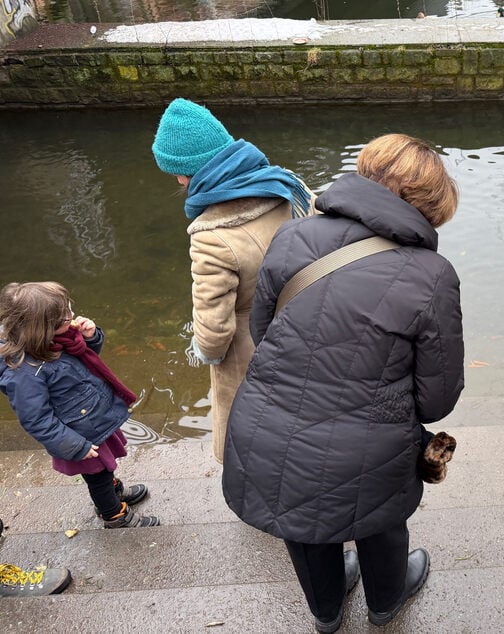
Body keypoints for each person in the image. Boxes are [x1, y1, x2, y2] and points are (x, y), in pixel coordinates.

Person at [221, 133, 464, 633]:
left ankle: (327, 612)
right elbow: (436, 399)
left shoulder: (291, 236)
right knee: (380, 520)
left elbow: (263, 333)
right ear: (429, 207)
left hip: (268, 426)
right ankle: (385, 602)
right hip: (369, 443)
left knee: (305, 526)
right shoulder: (432, 273)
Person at [151, 97, 312, 464]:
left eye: (178, 172)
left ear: (192, 171)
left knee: (251, 433)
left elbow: (214, 328)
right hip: (304, 326)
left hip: (252, 349)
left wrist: (203, 353)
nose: (177, 181)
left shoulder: (211, 235)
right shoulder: (286, 185)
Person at [0, 282, 159, 529]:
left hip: (91, 417)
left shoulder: (54, 340)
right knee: (97, 475)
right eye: (63, 317)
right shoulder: (24, 373)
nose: (71, 316)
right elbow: (36, 419)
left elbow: (82, 362)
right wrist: (75, 446)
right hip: (77, 434)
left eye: (68, 308)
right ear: (40, 327)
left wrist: (90, 337)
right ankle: (115, 515)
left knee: (104, 469)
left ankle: (112, 491)